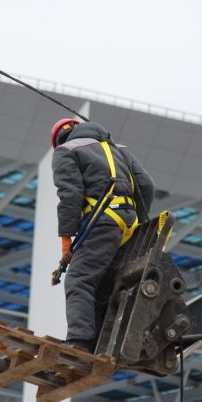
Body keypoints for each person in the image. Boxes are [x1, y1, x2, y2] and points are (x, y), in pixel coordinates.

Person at [51, 119, 155, 352]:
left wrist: (66, 238)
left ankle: (79, 341)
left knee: (79, 280)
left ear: (59, 139)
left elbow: (70, 195)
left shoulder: (65, 151)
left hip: (103, 223)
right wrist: (138, 219)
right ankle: (99, 343)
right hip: (128, 225)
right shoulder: (121, 150)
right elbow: (146, 186)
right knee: (103, 285)